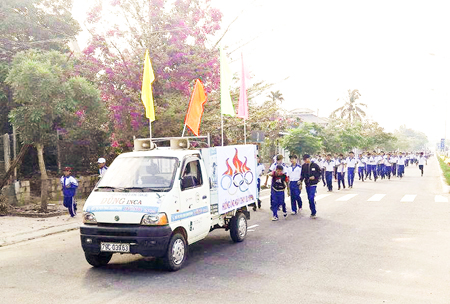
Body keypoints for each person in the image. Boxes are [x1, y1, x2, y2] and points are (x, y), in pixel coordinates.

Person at [299, 154, 321, 219]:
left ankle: (313, 212)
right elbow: (302, 175)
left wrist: (315, 176)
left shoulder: (315, 165)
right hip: (307, 184)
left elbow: (319, 173)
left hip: (313, 184)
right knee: (309, 198)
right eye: (304, 160)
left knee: (311, 197)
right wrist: (300, 181)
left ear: (309, 158)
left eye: (307, 159)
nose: (306, 161)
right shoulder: (304, 166)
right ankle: (312, 208)